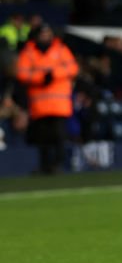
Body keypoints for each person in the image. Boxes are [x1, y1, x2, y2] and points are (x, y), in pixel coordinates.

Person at [15, 24, 79, 174]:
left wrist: (54, 74)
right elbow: (22, 73)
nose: (45, 37)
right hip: (39, 104)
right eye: (42, 34)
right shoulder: (29, 52)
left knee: (59, 135)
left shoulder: (61, 49)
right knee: (42, 137)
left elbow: (73, 68)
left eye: (47, 33)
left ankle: (58, 164)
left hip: (59, 104)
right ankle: (44, 165)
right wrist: (41, 78)